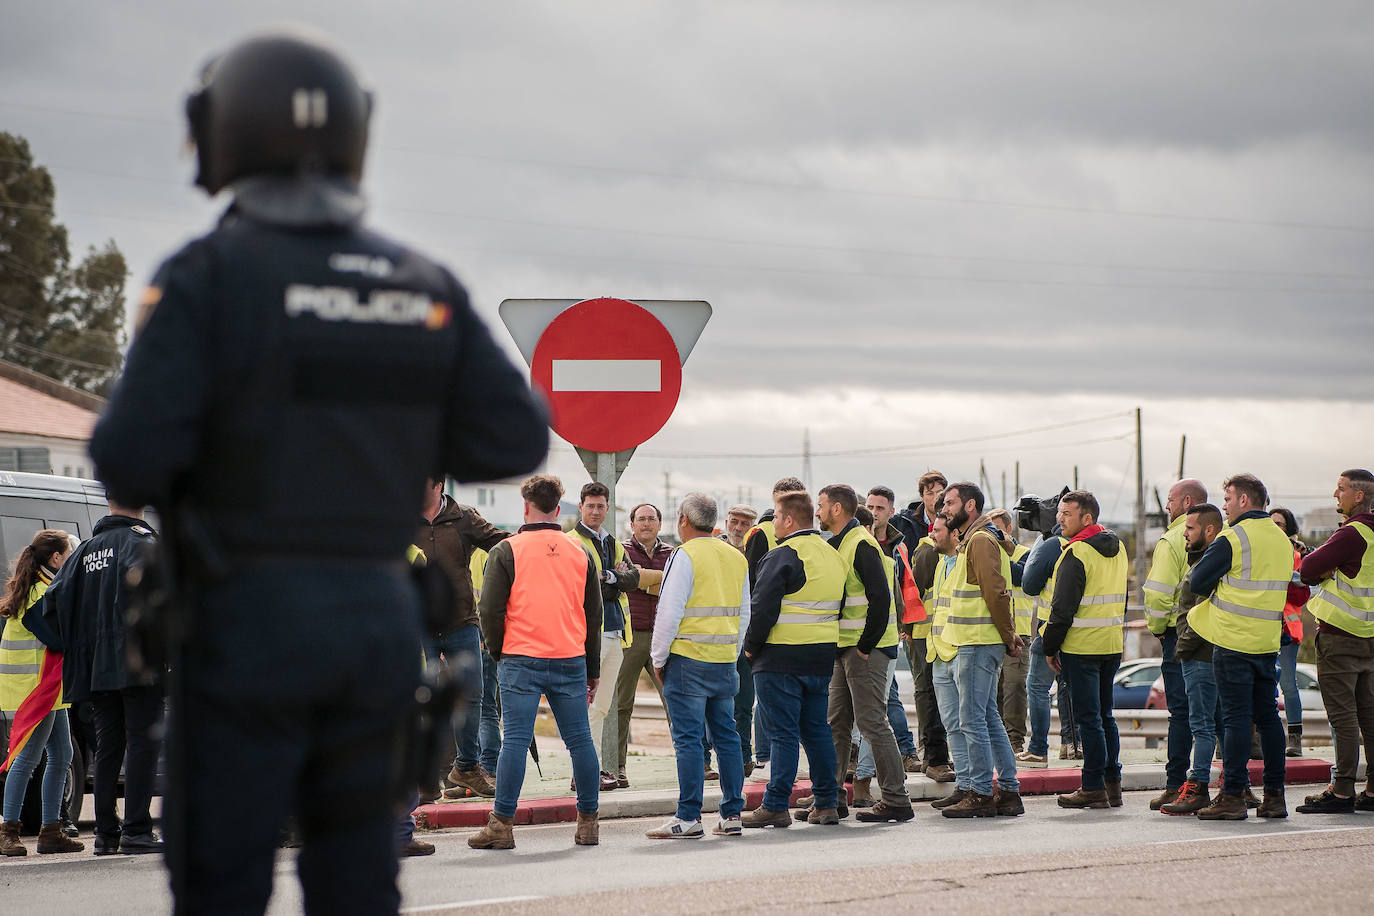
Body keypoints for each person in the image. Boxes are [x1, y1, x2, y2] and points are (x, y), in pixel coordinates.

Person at [87, 31, 549, 913]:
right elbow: (511, 441)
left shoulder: (207, 276)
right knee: (358, 882)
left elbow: (127, 458)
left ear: (222, 136)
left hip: (239, 622)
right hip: (375, 628)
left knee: (222, 881)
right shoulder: (421, 283)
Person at [473, 475, 603, 848]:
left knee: (514, 740)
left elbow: (490, 610)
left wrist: (499, 653)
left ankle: (501, 826)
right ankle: (588, 822)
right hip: (569, 658)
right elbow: (593, 616)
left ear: (525, 506)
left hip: (521, 657)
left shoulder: (507, 550)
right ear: (559, 509)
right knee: (580, 742)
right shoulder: (580, 552)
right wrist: (591, 669)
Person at [42, 503, 162, 856]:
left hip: (94, 669)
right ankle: (137, 830)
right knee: (143, 742)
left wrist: (80, 644)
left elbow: (52, 602)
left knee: (109, 746)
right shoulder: (141, 543)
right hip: (137, 662)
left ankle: (106, 833)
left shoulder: (82, 552)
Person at [646, 493, 751, 839]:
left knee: (689, 740)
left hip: (688, 662)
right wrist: (731, 655)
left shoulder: (684, 555)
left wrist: (659, 659)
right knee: (727, 737)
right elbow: (744, 615)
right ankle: (733, 814)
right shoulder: (736, 558)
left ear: (684, 521)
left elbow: (669, 613)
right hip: (723, 662)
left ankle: (688, 817)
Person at [1187, 473, 1291, 820]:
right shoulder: (1280, 539)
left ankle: (1232, 795)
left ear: (1244, 500)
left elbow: (1198, 582)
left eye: (1228, 499)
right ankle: (1275, 796)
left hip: (1232, 640)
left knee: (1234, 719)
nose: (1226, 506)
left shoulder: (1234, 537)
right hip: (1266, 641)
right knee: (1268, 718)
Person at [808, 485, 911, 823]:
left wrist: (865, 646)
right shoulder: (840, 544)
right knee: (837, 722)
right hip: (846, 648)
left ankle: (896, 799)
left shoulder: (860, 544)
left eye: (821, 506)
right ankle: (831, 797)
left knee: (871, 722)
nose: (818, 512)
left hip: (865, 650)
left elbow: (881, 600)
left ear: (837, 509)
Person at [740, 491, 844, 827]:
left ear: (787, 520)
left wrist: (751, 647)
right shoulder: (832, 555)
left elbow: (762, 608)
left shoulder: (782, 555)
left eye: (776, 520)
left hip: (780, 659)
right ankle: (827, 803)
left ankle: (775, 805)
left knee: (782, 734)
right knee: (817, 731)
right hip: (820, 657)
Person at [417, 477, 508, 799]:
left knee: (472, 698)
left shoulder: (464, 517)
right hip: (417, 626)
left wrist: (536, 543)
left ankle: (467, 768)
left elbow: (502, 543)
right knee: (418, 699)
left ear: (438, 484)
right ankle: (425, 778)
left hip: (462, 623)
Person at [1040, 491, 1129, 810]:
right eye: (1059, 513)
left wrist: (1050, 648)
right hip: (1111, 645)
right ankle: (1112, 784)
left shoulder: (1075, 553)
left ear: (1086, 519)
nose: (1059, 519)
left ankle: (1092, 786)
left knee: (1088, 719)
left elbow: (1061, 610)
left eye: (1066, 514)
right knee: (1105, 716)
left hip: (1081, 647)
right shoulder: (1118, 547)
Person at [940, 482, 1023, 818]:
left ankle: (979, 792)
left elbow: (996, 592)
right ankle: (1008, 791)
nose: (944, 508)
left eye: (949, 503)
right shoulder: (977, 539)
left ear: (970, 505)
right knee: (987, 718)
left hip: (977, 643)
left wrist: (1008, 635)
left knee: (972, 719)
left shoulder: (979, 540)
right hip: (977, 641)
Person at [0, 530, 83, 856]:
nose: (71, 560)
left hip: (48, 688)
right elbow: (56, 639)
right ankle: (8, 832)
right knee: (28, 758)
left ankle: (51, 831)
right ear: (56, 558)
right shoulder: (38, 594)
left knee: (62, 754)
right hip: (34, 690)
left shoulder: (43, 588)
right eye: (68, 554)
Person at [1295, 469, 1374, 814]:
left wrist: (1326, 567)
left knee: (1343, 718)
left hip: (1340, 638)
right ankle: (1372, 790)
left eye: (1340, 489)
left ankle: (1342, 791)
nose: (1334, 494)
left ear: (1358, 496)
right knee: (1369, 717)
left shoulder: (1352, 534)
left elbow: (1309, 569)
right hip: (1370, 639)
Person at [1141, 479, 1206, 809]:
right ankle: (1220, 783)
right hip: (1213, 634)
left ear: (1186, 502)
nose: (1166, 506)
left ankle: (1176, 784)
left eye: (1170, 500)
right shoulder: (1218, 535)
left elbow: (1156, 592)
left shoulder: (1172, 540)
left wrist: (1157, 627)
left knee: (1180, 712)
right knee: (1212, 713)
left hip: (1177, 634)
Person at [571, 482, 640, 791]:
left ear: (607, 509)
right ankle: (583, 771)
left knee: (601, 706)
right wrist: (614, 578)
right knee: (588, 706)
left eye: (601, 506)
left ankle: (590, 769)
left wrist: (610, 576)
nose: (596, 511)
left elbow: (633, 578)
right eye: (591, 505)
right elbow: (587, 588)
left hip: (615, 632)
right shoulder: (573, 542)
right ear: (581, 507)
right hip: (589, 636)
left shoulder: (612, 542)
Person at [1160, 503, 1226, 815]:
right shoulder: (1207, 560)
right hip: (1210, 653)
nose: (1184, 534)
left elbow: (1200, 612)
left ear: (1209, 530)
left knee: (1201, 725)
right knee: (1220, 723)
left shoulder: (1208, 565)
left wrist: (1182, 648)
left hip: (1201, 655)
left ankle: (1197, 786)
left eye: (1190, 529)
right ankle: (1233, 785)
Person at [742, 477, 807, 770]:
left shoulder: (807, 537)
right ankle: (764, 756)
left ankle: (774, 758)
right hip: (771, 628)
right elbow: (755, 585)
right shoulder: (762, 533)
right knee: (764, 700)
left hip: (796, 631)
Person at [616, 503, 673, 787]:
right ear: (632, 524)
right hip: (631, 635)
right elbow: (625, 581)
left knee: (675, 701)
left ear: (660, 524)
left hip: (664, 635)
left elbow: (673, 586)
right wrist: (653, 580)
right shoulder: (621, 551)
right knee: (621, 703)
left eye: (652, 519)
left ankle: (696, 764)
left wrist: (641, 578)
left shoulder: (672, 554)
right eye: (641, 519)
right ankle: (616, 767)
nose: (647, 523)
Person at [925, 514, 980, 811]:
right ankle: (964, 785)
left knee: (968, 723)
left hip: (960, 651)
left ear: (954, 533)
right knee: (952, 726)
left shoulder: (965, 561)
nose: (932, 535)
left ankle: (975, 786)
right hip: (939, 654)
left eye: (937, 530)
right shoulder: (939, 564)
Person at [866, 487, 922, 772]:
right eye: (871, 507)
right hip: (858, 632)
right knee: (882, 696)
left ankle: (906, 751)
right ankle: (899, 752)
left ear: (891, 511)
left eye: (880, 508)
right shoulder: (857, 541)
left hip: (887, 631)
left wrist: (905, 624)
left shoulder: (898, 546)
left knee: (889, 694)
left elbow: (905, 587)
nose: (875, 513)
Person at [903, 507, 955, 783]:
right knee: (928, 692)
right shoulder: (926, 553)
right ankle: (932, 755)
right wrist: (909, 630)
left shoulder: (954, 556)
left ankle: (938, 754)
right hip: (924, 635)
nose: (933, 534)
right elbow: (914, 596)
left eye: (939, 530)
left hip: (946, 635)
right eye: (932, 529)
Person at [1018, 524, 1078, 766]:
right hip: (1087, 632)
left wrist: (1040, 544)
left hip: (1049, 628)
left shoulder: (1054, 544)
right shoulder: (1104, 546)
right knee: (1077, 689)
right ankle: (1075, 746)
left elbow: (1029, 584)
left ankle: (1038, 748)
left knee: (1037, 687)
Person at [986, 508, 1031, 754]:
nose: (993, 535)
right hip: (991, 633)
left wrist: (1002, 551)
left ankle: (1015, 741)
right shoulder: (984, 553)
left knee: (1014, 688)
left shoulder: (1025, 554)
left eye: (997, 529)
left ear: (1009, 529)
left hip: (1019, 633)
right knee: (994, 691)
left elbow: (1019, 576)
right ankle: (996, 740)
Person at [1269, 505, 1311, 757]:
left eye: (1280, 524)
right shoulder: (1261, 551)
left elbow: (1301, 594)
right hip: (1263, 626)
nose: (1275, 527)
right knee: (1266, 684)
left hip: (1287, 629)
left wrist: (1280, 581)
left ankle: (1294, 740)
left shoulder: (1297, 555)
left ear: (1289, 529)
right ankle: (1267, 735)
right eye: (1271, 523)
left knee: (1288, 683)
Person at [892, 470, 947, 547]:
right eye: (930, 493)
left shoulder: (954, 520)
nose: (936, 498)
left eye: (939, 492)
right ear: (922, 497)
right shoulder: (903, 521)